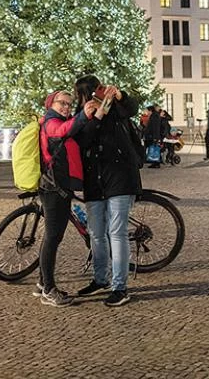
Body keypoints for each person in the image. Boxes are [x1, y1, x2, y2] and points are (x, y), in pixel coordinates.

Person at [74, 75, 140, 307]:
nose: (97, 94)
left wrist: (120, 96)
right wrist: (90, 117)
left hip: (120, 177)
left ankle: (120, 287)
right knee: (96, 233)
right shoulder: (81, 115)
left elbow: (131, 109)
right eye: (90, 92)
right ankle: (100, 279)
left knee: (116, 232)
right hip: (94, 180)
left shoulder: (115, 109)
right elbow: (81, 142)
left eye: (99, 89)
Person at [36, 90, 95, 307]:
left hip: (60, 188)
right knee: (52, 238)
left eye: (69, 104)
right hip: (54, 189)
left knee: (52, 237)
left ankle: (43, 283)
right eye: (63, 103)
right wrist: (82, 116)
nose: (66, 107)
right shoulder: (51, 122)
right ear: (51, 103)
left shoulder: (62, 120)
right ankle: (49, 290)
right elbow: (61, 131)